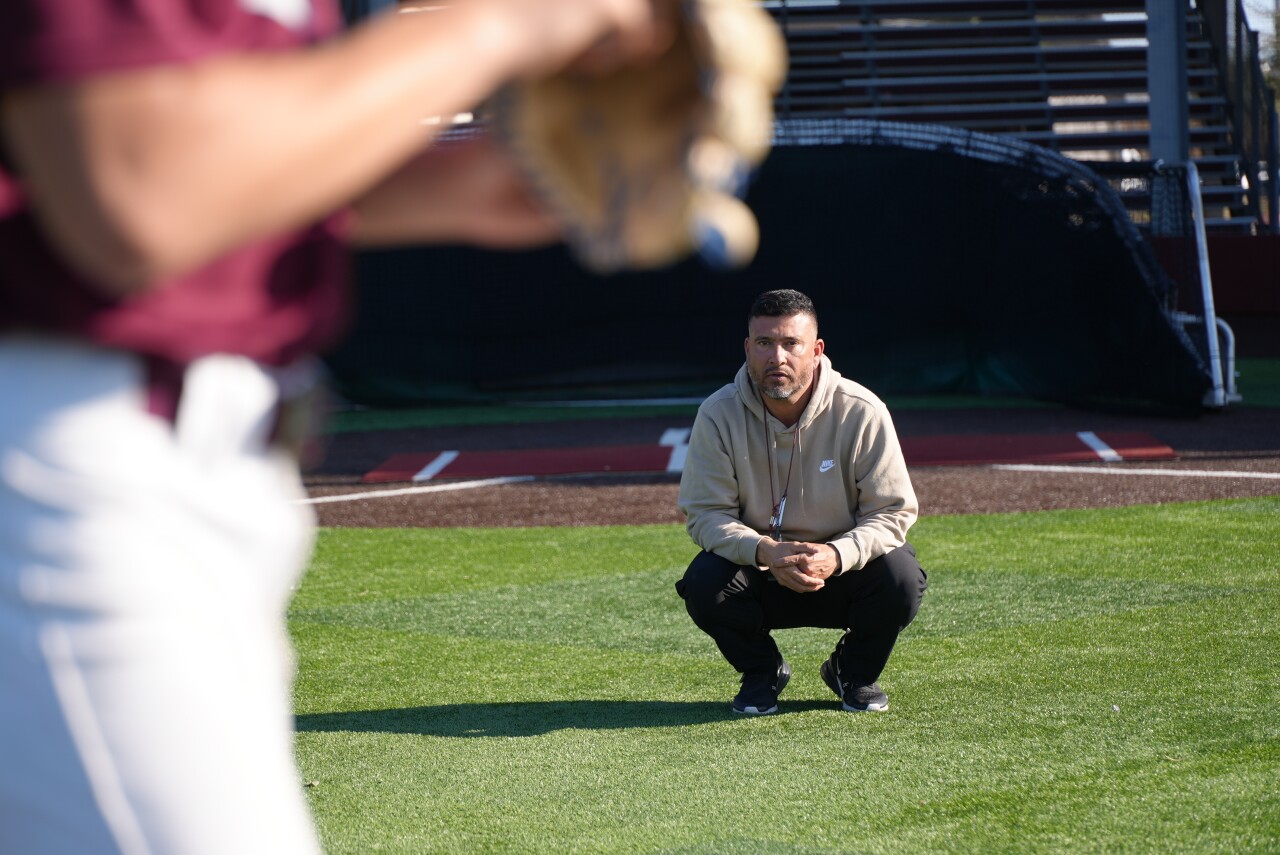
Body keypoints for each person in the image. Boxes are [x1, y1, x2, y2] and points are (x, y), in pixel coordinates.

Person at [0, 1, 676, 851]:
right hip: (71, 447)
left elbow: (183, 167)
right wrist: (501, 23)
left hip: (172, 464)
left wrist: (452, 187)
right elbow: (138, 196)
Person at [676, 289, 927, 715]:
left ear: (816, 350)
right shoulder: (717, 414)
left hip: (842, 571)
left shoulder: (862, 410)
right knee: (704, 583)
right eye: (764, 343)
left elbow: (892, 511)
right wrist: (764, 551)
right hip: (760, 570)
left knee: (901, 577)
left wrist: (837, 554)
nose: (777, 357)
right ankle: (761, 671)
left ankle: (854, 672)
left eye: (791, 343)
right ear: (747, 349)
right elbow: (705, 514)